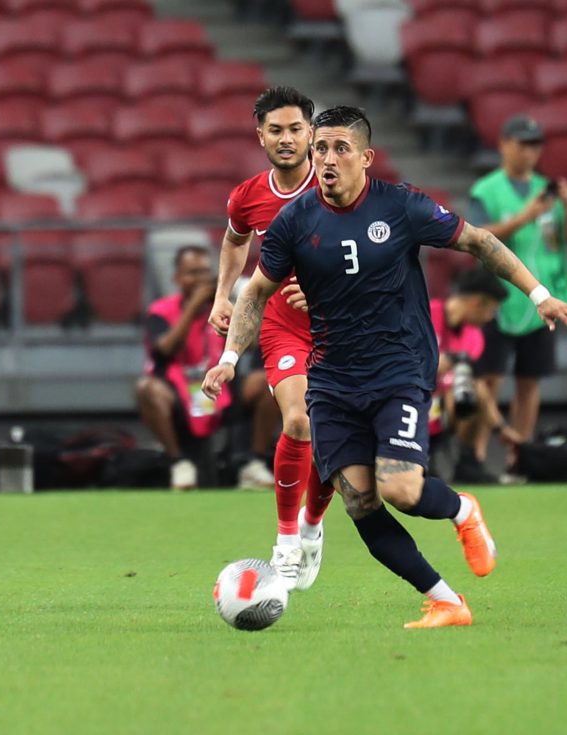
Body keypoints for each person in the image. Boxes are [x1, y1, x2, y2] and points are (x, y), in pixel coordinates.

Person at [203, 106, 567, 628]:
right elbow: (256, 293)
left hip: (398, 368)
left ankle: (462, 510)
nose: (327, 159)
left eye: (340, 149)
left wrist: (539, 295)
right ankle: (446, 600)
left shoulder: (400, 206)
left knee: (401, 489)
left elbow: (480, 242)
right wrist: (228, 358)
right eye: (321, 148)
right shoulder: (295, 221)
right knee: (360, 502)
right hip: (332, 379)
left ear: (365, 157)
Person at [207, 86, 334, 591]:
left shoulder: (338, 186)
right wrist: (223, 294)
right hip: (284, 326)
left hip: (343, 327)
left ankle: (312, 525)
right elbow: (234, 240)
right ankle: (285, 543)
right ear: (260, 135)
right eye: (275, 130)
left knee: (336, 442)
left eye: (295, 129)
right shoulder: (248, 196)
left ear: (311, 133)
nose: (286, 139)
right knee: (299, 420)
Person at [467, 114, 567, 475]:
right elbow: (477, 237)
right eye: (522, 144)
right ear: (504, 144)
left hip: (543, 297)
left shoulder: (546, 189)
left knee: (529, 381)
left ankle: (521, 457)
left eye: (535, 145)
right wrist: (526, 216)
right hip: (497, 299)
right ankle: (476, 457)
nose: (529, 152)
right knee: (488, 380)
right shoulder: (486, 190)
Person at [137, 245, 277, 490]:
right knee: (146, 389)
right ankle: (179, 463)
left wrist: (244, 311)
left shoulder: (223, 307)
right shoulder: (161, 310)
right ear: (177, 278)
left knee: (269, 382)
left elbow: (251, 345)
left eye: (204, 272)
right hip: (180, 392)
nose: (200, 279)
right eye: (192, 273)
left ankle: (253, 464)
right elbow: (165, 349)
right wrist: (193, 308)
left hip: (222, 388)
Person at [429, 268, 521, 484]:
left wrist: (501, 428)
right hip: (407, 400)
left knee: (469, 391)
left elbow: (479, 387)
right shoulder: (424, 315)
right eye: (491, 310)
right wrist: (434, 364)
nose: (490, 318)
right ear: (476, 302)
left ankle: (466, 462)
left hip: (440, 410)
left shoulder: (474, 338)